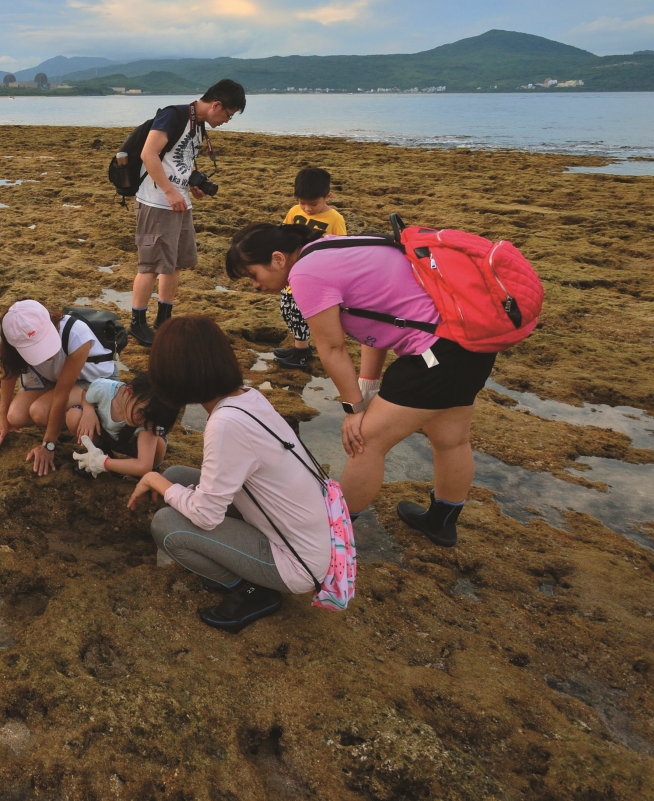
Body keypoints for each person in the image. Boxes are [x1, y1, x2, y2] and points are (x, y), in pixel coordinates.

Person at [224, 222, 498, 546]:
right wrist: (367, 385)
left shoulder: (305, 274)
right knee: (451, 439)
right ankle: (441, 522)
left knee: (365, 440)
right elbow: (378, 318)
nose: (254, 285)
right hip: (471, 343)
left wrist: (354, 410)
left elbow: (332, 348)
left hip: (437, 355)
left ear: (278, 259)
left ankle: (332, 537)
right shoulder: (336, 247)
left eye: (253, 275)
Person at [134, 315, 332, 632]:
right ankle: (237, 567)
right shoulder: (246, 396)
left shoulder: (225, 425)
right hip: (308, 531)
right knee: (176, 475)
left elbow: (206, 516)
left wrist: (153, 478)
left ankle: (251, 591)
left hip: (298, 562)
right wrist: (166, 482)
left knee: (167, 526)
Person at [128, 80, 247, 347]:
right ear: (216, 105)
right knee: (151, 264)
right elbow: (149, 154)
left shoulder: (198, 125)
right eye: (228, 115)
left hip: (179, 203)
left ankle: (164, 319)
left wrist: (191, 183)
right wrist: (169, 191)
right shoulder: (174, 115)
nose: (227, 121)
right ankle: (137, 323)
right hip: (157, 202)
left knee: (175, 263)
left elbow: (180, 161)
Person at [0, 300, 117, 476]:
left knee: (40, 412)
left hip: (94, 380)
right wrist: (2, 420)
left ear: (52, 324)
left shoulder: (77, 335)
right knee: (15, 416)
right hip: (56, 378)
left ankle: (81, 416)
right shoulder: (11, 342)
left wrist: (48, 445)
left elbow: (61, 395)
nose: (46, 353)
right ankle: (64, 416)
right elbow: (8, 374)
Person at [274, 167, 347, 371]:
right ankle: (301, 348)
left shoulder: (335, 219)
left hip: (314, 277)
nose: (306, 208)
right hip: (293, 273)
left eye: (313, 204)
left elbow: (340, 249)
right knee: (287, 310)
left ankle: (301, 354)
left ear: (328, 197)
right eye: (302, 203)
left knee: (299, 313)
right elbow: (284, 235)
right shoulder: (293, 211)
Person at [70, 372, 178, 478]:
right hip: (106, 435)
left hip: (134, 446)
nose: (141, 422)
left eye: (151, 419)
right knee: (73, 415)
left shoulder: (148, 421)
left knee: (158, 443)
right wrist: (88, 411)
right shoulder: (105, 388)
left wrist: (102, 463)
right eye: (141, 412)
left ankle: (124, 468)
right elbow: (86, 392)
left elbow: (144, 466)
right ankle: (101, 453)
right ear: (129, 392)